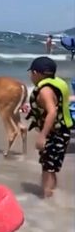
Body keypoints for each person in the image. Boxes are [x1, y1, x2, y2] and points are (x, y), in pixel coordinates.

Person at [25, 56, 74, 198]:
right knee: (50, 167)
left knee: (47, 168)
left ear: (36, 73)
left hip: (55, 134)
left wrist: (42, 135)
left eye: (31, 73)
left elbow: (52, 112)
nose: (30, 76)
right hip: (62, 132)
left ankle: (46, 196)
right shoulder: (55, 84)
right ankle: (52, 195)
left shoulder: (44, 91)